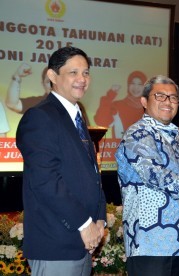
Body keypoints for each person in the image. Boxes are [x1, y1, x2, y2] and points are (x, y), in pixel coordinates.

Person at [16, 46, 106, 275]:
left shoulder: (77, 117)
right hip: (56, 244)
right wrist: (85, 224)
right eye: (73, 72)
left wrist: (99, 222)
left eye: (86, 73)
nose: (82, 79)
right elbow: (45, 180)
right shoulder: (40, 117)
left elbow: (92, 176)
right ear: (52, 76)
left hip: (84, 243)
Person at [115, 75, 179, 276]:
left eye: (173, 97)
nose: (168, 102)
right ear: (144, 101)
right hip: (152, 243)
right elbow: (155, 174)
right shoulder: (137, 134)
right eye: (160, 96)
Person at [6, 64, 91, 123]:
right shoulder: (37, 103)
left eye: (55, 81)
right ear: (42, 84)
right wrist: (17, 77)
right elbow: (12, 104)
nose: (52, 85)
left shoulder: (77, 106)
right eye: (48, 82)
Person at [94, 70, 147, 138]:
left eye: (140, 84)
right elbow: (101, 122)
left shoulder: (149, 109)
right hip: (119, 147)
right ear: (128, 85)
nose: (136, 87)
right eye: (132, 83)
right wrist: (109, 96)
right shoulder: (118, 105)